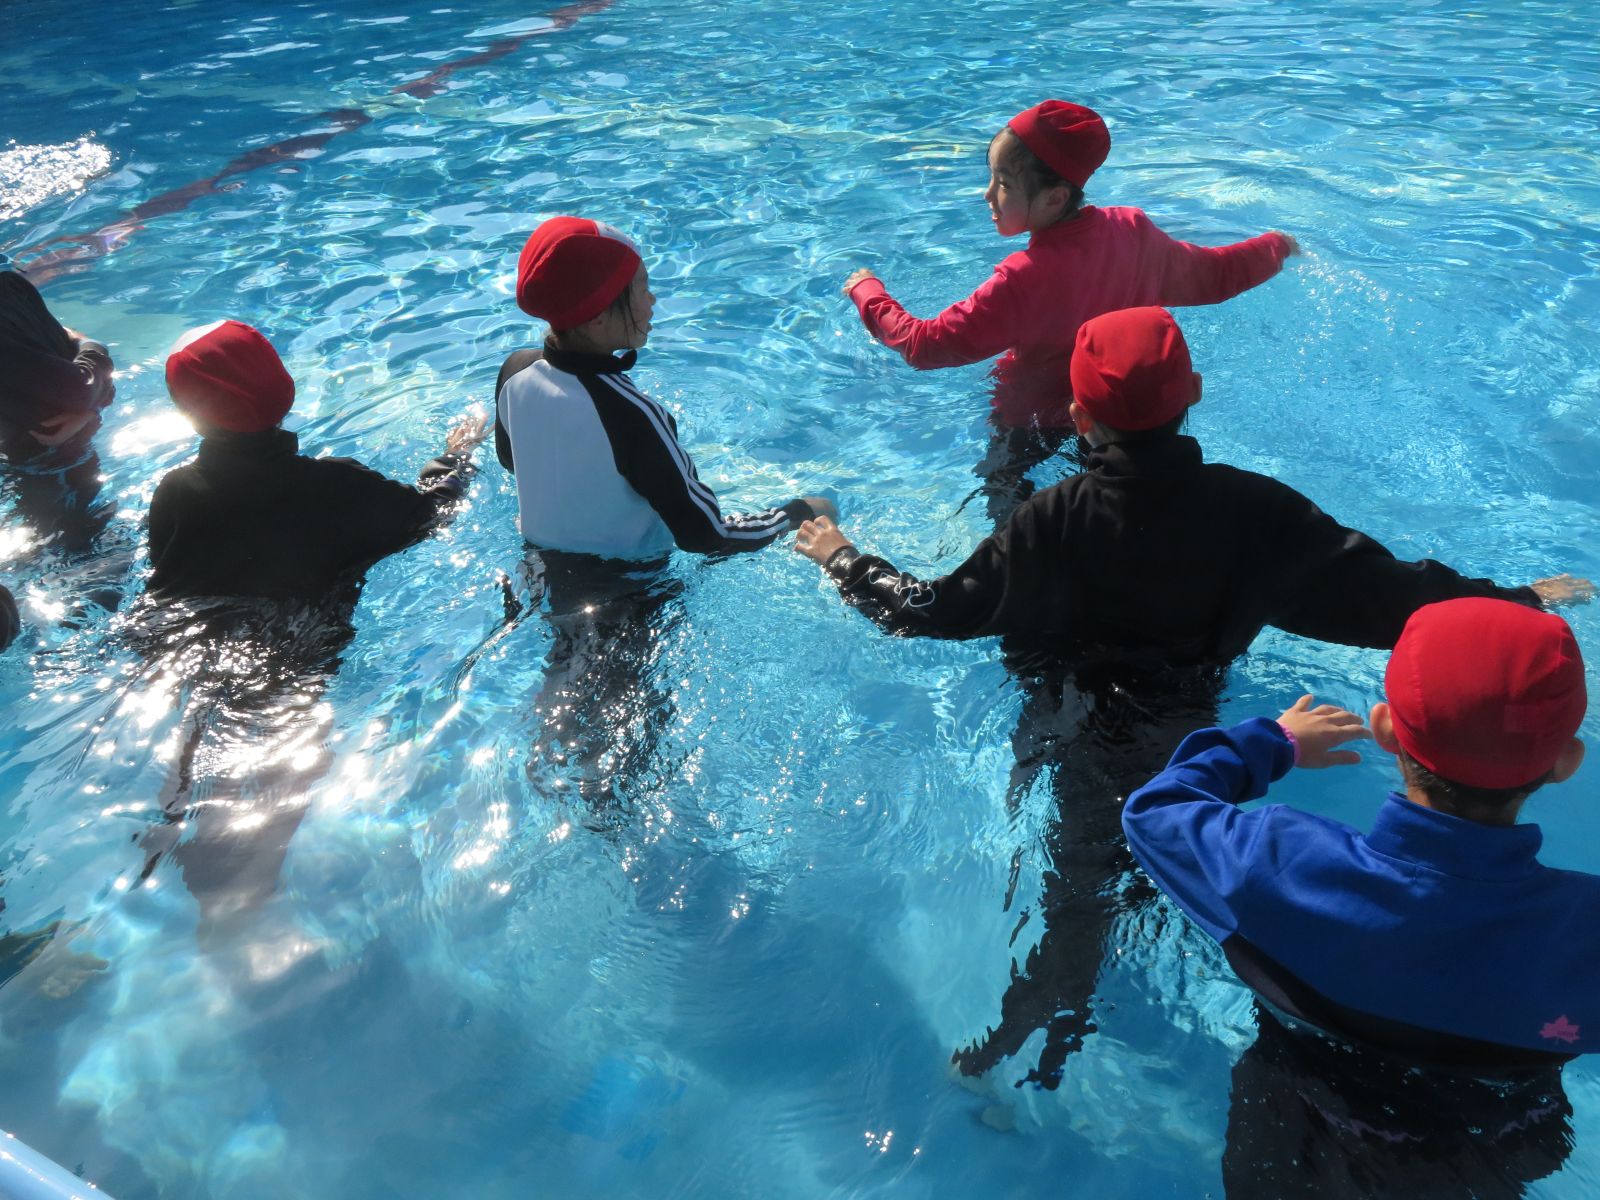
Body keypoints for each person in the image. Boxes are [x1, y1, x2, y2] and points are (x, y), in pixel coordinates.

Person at [793, 305, 1590, 1086]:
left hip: (1072, 726)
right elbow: (1392, 600)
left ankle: (1016, 1053)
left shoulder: (1049, 522)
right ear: (1194, 392)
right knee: (1156, 886)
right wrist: (1515, 601)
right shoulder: (1257, 512)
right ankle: (1053, 1044)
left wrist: (841, 556)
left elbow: (928, 612)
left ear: (1077, 416)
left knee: (1081, 897)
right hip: (1183, 720)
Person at [1122, 598, 1591, 1196]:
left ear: (1385, 728)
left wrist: (1276, 742)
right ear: (1565, 763)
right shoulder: (1585, 939)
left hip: (1293, 1133)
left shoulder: (1276, 865)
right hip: (1494, 1148)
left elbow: (1155, 812)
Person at [843, 101, 1297, 519]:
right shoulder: (1133, 234)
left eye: (1002, 184)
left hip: (1028, 425)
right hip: (1119, 424)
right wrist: (1277, 247)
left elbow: (926, 346)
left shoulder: (1022, 278)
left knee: (1011, 512)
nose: (987, 196)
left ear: (1055, 198)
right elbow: (1216, 277)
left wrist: (868, 292)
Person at [495, 216, 835, 560]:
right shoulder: (631, 414)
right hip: (628, 595)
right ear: (598, 316)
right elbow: (705, 535)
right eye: (642, 289)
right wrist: (795, 514)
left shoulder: (515, 370)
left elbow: (512, 462)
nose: (653, 300)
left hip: (532, 574)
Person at [148, 318, 486, 600]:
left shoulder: (173, 492)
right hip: (297, 655)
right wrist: (458, 455)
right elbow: (433, 514)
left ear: (188, 413)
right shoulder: (339, 486)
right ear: (284, 387)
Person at [0, 269, 117, 550]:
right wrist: (93, 347)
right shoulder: (12, 287)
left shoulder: (11, 286)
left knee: (64, 539)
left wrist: (90, 404)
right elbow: (81, 387)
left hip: (41, 451)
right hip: (42, 455)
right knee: (77, 540)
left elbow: (80, 379)